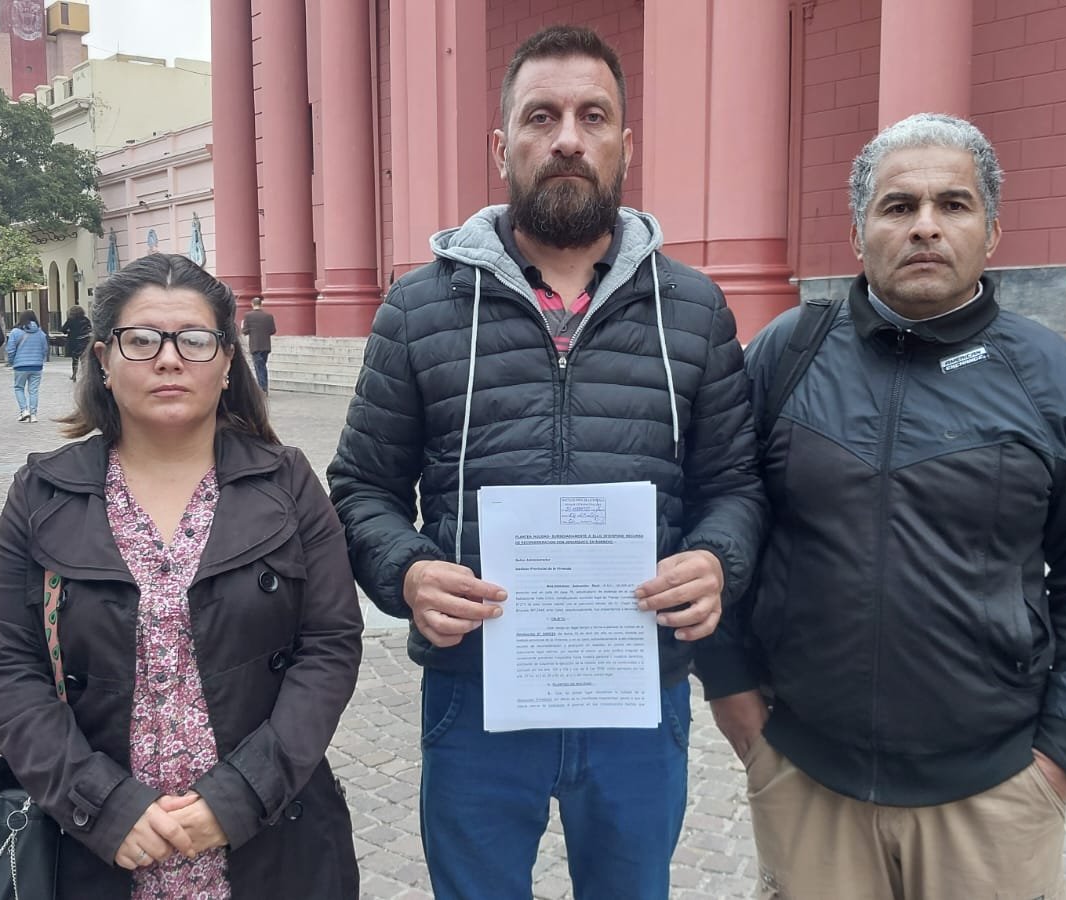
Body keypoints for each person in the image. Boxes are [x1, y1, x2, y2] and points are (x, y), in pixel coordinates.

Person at [327, 25, 765, 900]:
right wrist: (408, 572)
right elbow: (360, 489)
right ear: (502, 147)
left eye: (592, 116)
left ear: (625, 144)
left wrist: (719, 560)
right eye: (542, 117)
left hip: (638, 693)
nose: (568, 138)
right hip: (478, 692)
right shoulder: (418, 309)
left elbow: (736, 487)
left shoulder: (693, 309)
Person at [699, 112, 1066, 900]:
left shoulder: (1051, 376)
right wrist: (735, 699)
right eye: (898, 206)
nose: (925, 226)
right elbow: (724, 511)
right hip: (808, 776)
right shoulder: (787, 353)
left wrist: (1063, 751)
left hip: (995, 791)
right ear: (858, 231)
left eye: (953, 205)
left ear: (992, 232)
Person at [0, 253, 364, 898]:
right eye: (142, 339)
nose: (169, 359)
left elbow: (329, 646)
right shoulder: (43, 493)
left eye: (195, 340)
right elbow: (6, 665)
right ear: (104, 359)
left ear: (227, 359)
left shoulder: (287, 483)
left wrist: (241, 796)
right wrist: (102, 807)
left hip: (270, 842)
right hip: (94, 853)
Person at [6, 310, 51, 423]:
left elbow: (10, 349)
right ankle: (34, 414)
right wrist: (40, 359)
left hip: (20, 365)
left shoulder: (15, 332)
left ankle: (24, 410)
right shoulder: (40, 333)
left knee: (19, 388)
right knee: (33, 390)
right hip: (36, 366)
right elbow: (45, 349)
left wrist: (12, 361)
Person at [238, 298, 276, 392]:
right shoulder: (269, 316)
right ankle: (263, 387)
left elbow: (245, 331)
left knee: (259, 367)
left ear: (252, 304)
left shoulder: (248, 316)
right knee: (262, 366)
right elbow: (273, 331)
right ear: (261, 304)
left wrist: (242, 327)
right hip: (266, 346)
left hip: (255, 346)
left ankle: (263, 388)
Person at [61, 305, 93, 382]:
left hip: (74, 342)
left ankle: (74, 375)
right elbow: (90, 329)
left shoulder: (70, 320)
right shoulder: (85, 319)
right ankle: (85, 375)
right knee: (83, 359)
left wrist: (69, 332)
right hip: (84, 341)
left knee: (75, 359)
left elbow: (63, 330)